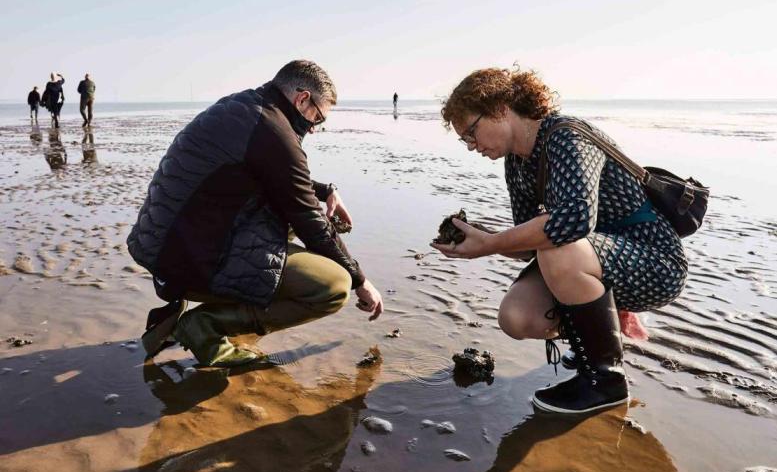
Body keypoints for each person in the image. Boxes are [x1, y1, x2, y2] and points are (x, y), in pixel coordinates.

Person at [431, 67, 687, 415]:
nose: (473, 146)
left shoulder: (566, 137)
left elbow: (572, 222)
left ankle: (605, 380)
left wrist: (490, 246)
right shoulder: (517, 163)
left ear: (501, 109)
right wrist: (481, 238)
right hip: (592, 258)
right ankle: (596, 336)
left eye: (472, 132)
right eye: (465, 140)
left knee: (559, 245)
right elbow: (528, 244)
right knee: (516, 317)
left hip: (653, 260)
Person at [128, 59, 384, 367]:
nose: (314, 129)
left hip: (166, 246)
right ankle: (205, 325)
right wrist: (360, 280)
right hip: (185, 259)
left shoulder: (246, 108)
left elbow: (273, 173)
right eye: (317, 118)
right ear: (302, 99)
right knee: (332, 287)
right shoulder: (273, 131)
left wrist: (325, 190)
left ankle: (197, 309)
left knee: (284, 218)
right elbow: (310, 222)